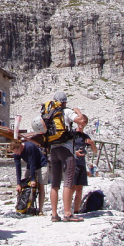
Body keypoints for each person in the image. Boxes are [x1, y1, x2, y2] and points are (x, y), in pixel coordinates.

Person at [47, 91, 86, 222]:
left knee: (55, 183)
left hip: (53, 149)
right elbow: (82, 121)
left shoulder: (49, 114)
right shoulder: (67, 111)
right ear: (64, 102)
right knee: (68, 181)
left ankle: (54, 214)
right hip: (66, 148)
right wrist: (78, 111)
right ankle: (68, 213)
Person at [10, 139, 48, 215]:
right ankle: (29, 207)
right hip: (30, 166)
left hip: (41, 164)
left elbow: (32, 162)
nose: (16, 154)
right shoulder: (16, 153)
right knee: (25, 186)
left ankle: (40, 210)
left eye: (17, 152)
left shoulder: (29, 147)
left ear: (20, 147)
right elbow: (18, 167)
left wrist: (33, 179)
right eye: (14, 153)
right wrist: (18, 183)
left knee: (41, 187)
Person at [72, 115, 98, 214]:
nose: (82, 125)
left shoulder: (85, 136)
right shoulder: (72, 134)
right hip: (73, 163)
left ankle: (76, 211)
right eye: (80, 123)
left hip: (82, 164)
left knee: (79, 188)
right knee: (72, 187)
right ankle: (68, 210)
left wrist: (92, 144)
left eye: (84, 123)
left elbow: (95, 152)